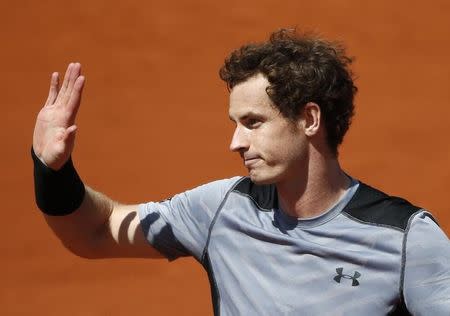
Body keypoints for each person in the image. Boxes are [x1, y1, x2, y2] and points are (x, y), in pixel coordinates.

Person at [32, 29, 450, 315]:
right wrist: (53, 171)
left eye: (253, 123)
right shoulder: (220, 210)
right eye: (235, 124)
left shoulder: (407, 239)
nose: (236, 143)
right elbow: (96, 231)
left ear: (309, 119)